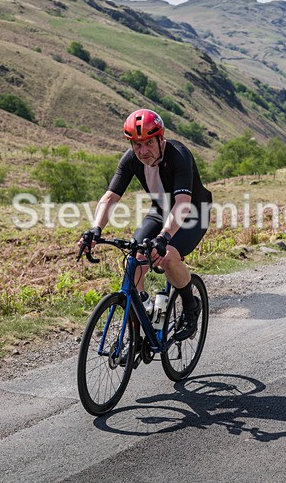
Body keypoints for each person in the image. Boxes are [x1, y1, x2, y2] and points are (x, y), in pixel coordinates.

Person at [78, 108, 212, 341]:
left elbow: (182, 204)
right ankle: (143, 317)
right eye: (136, 145)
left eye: (149, 143)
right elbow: (110, 197)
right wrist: (95, 229)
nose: (143, 151)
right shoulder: (131, 159)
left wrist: (164, 237)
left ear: (161, 139)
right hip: (160, 211)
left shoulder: (179, 155)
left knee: (168, 255)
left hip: (193, 213)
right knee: (135, 256)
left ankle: (191, 307)